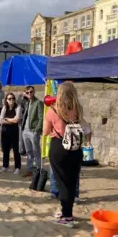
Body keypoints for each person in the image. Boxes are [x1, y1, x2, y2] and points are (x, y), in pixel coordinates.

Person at [43, 82, 90, 228]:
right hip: (76, 148)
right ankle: (65, 211)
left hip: (59, 147)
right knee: (71, 181)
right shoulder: (78, 110)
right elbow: (87, 129)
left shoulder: (53, 110)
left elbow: (45, 132)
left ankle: (67, 217)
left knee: (62, 183)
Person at [21, 86, 44, 177]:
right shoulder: (27, 103)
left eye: (31, 92)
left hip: (33, 131)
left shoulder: (38, 103)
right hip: (25, 131)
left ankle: (38, 170)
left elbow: (41, 118)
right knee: (28, 151)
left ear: (34, 92)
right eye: (27, 92)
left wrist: (36, 130)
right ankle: (29, 169)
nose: (29, 94)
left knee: (36, 151)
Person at [0, 92, 22, 174]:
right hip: (5, 131)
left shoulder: (18, 107)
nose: (11, 100)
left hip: (15, 131)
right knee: (6, 150)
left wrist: (6, 119)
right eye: (9, 99)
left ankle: (17, 167)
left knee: (16, 150)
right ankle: (5, 166)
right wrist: (11, 120)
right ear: (6, 100)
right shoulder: (4, 108)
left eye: (12, 98)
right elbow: (0, 120)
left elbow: (17, 119)